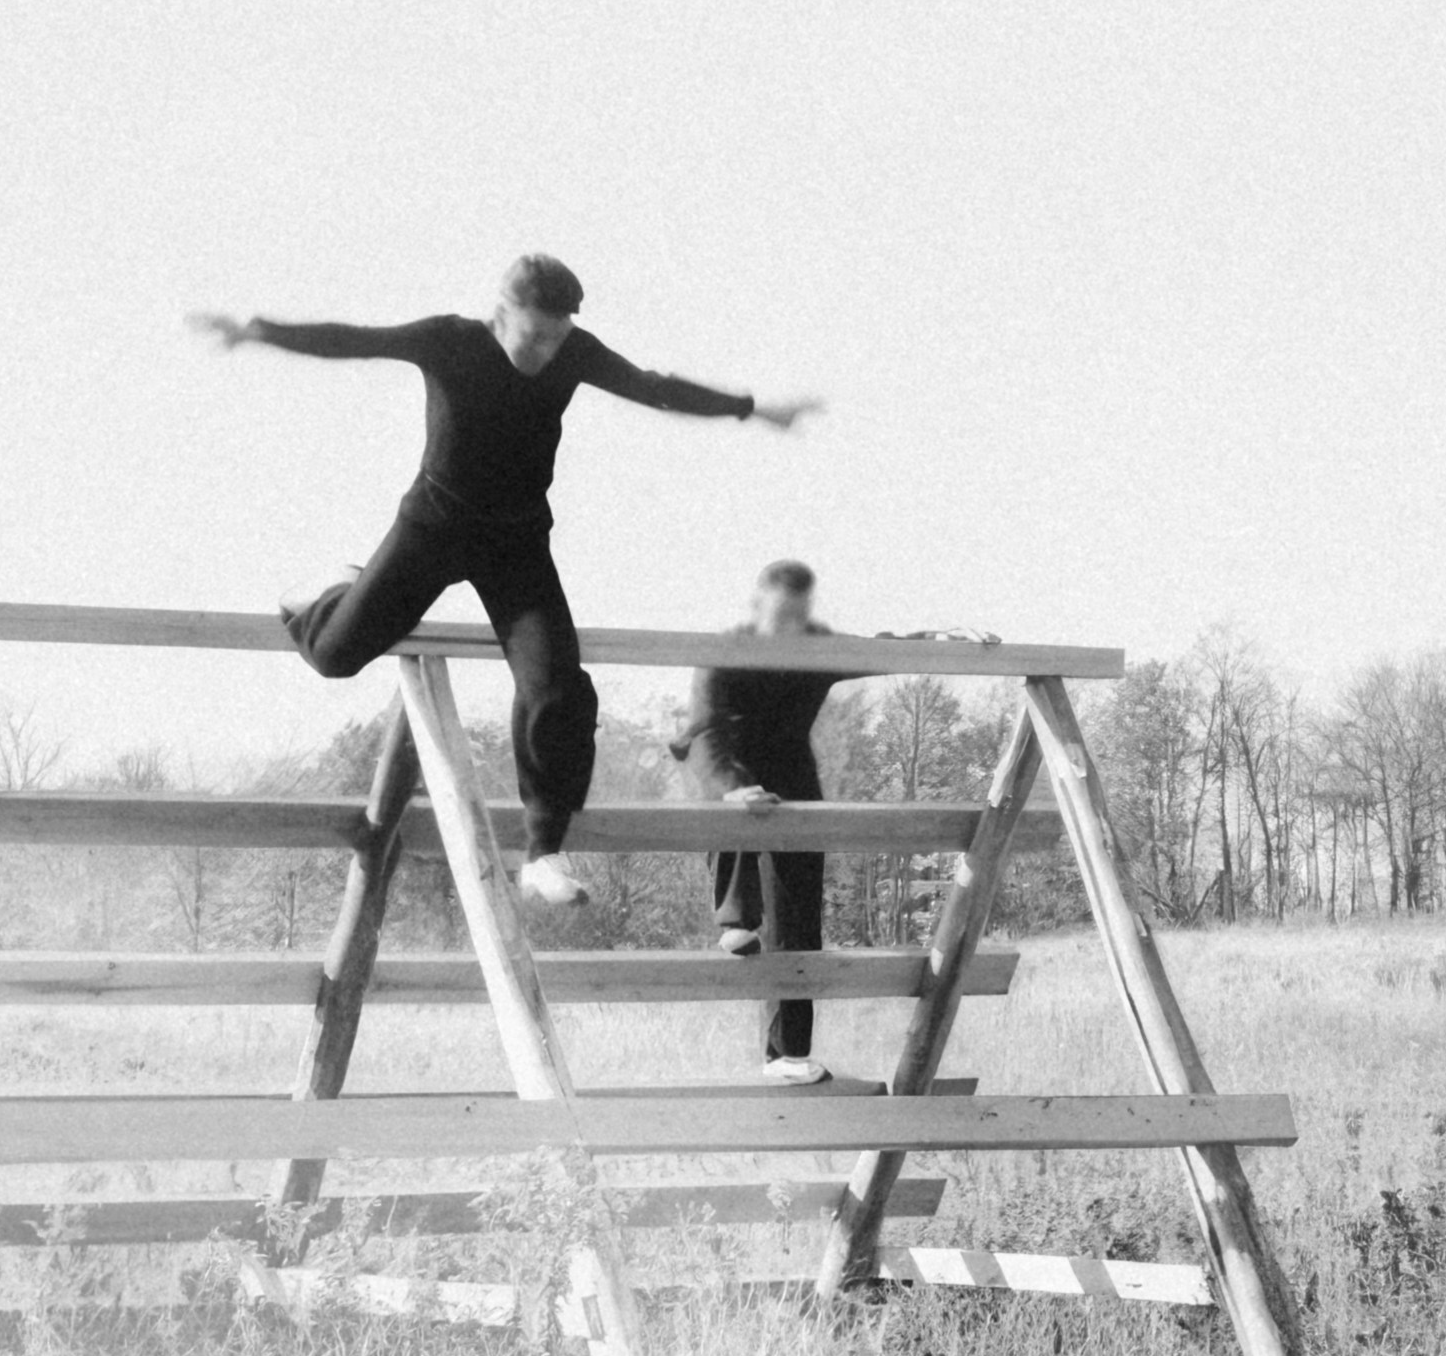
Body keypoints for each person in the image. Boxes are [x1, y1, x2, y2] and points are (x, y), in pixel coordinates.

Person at [192, 257, 816, 909]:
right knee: (334, 656)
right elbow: (356, 340)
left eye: (556, 336)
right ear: (500, 314)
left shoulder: (574, 352)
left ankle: (543, 852)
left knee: (560, 689)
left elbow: (652, 387)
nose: (546, 351)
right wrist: (258, 331)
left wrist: (754, 410)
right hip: (431, 530)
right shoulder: (450, 340)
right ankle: (329, 592)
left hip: (516, 546)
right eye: (534, 334)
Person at [666, 561, 988, 1084]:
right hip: (723, 763)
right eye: (779, 616)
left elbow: (878, 650)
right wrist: (729, 788)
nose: (788, 628)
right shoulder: (724, 652)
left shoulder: (817, 649)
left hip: (792, 774)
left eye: (798, 617)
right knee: (737, 802)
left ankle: (788, 1054)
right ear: (756, 610)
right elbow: (705, 733)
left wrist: (940, 637)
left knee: (796, 914)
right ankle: (736, 918)